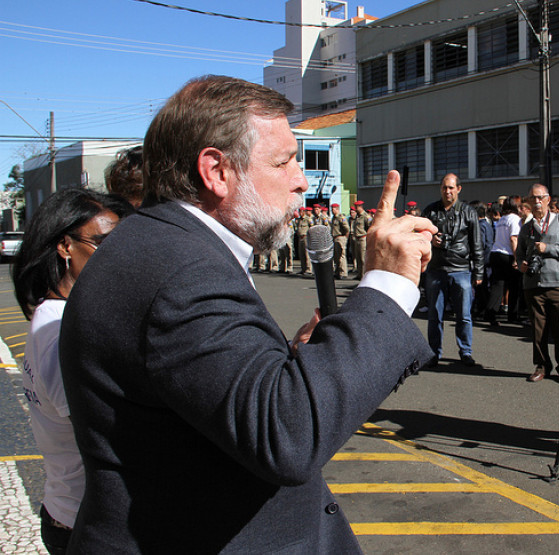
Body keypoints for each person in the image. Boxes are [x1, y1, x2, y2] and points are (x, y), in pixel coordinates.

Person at [57, 75, 437, 553]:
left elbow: (217, 391)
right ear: (216, 171)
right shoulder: (181, 270)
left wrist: (302, 359)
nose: (301, 179)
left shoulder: (159, 245)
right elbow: (287, 433)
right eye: (283, 162)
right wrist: (388, 284)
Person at [12, 188, 132, 555]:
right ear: (65, 246)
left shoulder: (57, 315)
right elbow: (104, 434)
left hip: (75, 511)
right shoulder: (61, 330)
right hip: (85, 521)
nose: (116, 256)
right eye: (102, 243)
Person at [516, 183, 559, 383]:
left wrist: (548, 248)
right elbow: (519, 254)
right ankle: (542, 365)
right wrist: (522, 265)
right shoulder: (526, 227)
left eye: (540, 198)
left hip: (557, 281)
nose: (537, 202)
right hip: (533, 284)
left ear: (548, 199)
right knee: (537, 329)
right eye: (533, 198)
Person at [421, 173, 484, 367]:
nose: (447, 191)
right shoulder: (430, 211)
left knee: (464, 316)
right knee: (434, 315)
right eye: (444, 188)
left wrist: (479, 272)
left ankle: (465, 351)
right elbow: (419, 237)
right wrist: (430, 239)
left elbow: (477, 244)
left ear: (458, 189)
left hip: (461, 270)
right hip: (436, 269)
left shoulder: (469, 211)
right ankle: (433, 353)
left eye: (451, 187)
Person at [485, 195, 523, 326]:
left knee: (497, 285)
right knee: (514, 286)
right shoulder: (515, 219)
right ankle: (513, 315)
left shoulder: (502, 219)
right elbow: (514, 239)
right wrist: (517, 258)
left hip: (496, 253)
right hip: (508, 254)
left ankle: (490, 314)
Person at [351, 200, 371, 279]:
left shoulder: (366, 216)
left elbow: (369, 228)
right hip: (357, 239)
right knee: (358, 258)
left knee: (363, 259)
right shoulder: (357, 216)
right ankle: (359, 274)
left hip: (363, 238)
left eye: (356, 207)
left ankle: (364, 276)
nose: (355, 209)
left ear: (360, 207)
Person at [330, 203, 350, 278]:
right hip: (335, 238)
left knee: (341, 256)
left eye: (333, 209)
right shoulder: (334, 218)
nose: (332, 210)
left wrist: (344, 237)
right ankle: (338, 271)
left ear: (337, 209)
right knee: (336, 256)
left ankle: (343, 273)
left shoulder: (341, 217)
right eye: (331, 209)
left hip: (340, 237)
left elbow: (346, 228)